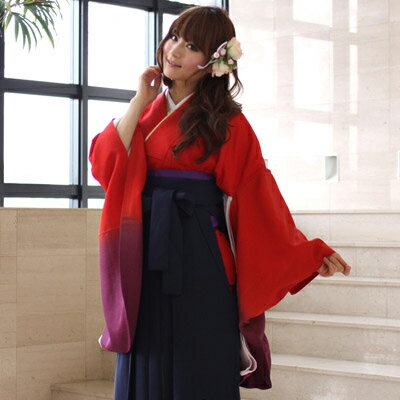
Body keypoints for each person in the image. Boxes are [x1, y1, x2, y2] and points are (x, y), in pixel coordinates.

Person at [89, 5, 352, 400]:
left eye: (192, 45)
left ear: (213, 60)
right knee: (147, 352)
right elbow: (106, 168)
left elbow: (258, 197)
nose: (175, 50)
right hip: (143, 252)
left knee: (199, 359)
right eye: (174, 37)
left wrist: (306, 252)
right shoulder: (145, 113)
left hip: (200, 256)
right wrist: (139, 101)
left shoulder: (228, 122)